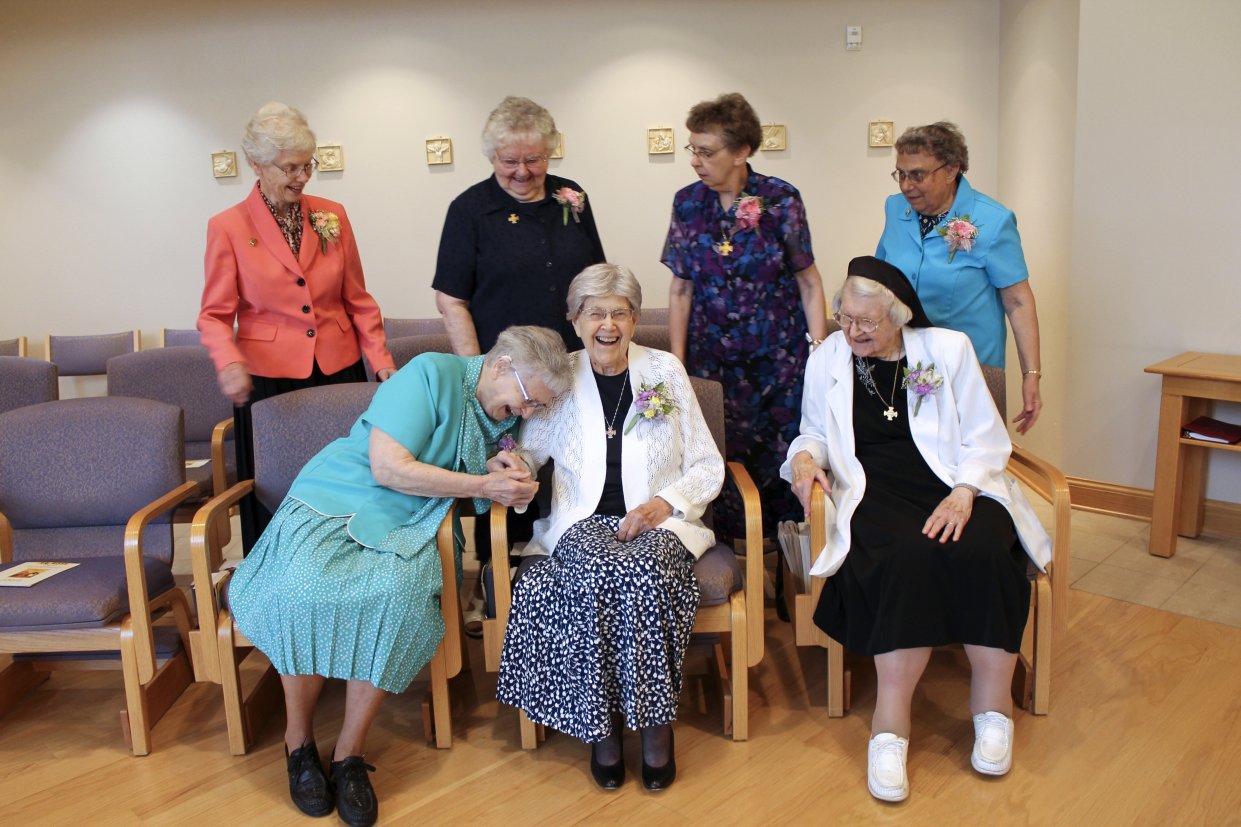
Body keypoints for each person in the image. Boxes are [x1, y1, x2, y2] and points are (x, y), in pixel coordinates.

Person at [228, 326, 571, 826]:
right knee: (300, 590)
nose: (527, 414)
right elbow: (389, 467)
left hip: (415, 524)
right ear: (501, 367)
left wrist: (508, 465)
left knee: (400, 597)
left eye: (536, 408)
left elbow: (490, 462)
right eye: (526, 402)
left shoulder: (501, 408)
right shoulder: (430, 373)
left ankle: (349, 755)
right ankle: (298, 742)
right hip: (338, 501)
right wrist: (484, 483)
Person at [781, 256, 1051, 803]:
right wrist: (805, 461)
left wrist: (965, 489)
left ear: (899, 318)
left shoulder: (947, 350)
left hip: (953, 484)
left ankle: (992, 710)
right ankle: (890, 726)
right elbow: (813, 433)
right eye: (845, 318)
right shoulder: (828, 356)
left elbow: (987, 440)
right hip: (872, 490)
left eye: (867, 322)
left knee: (981, 550)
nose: (852, 331)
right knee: (903, 556)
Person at [496, 264, 724, 792]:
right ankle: (604, 731)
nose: (608, 324)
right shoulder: (561, 373)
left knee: (642, 574)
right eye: (595, 312)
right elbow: (531, 451)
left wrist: (662, 506)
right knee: (596, 572)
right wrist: (514, 467)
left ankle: (654, 729)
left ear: (635, 318)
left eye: (619, 312)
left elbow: (707, 465)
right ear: (574, 319)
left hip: (659, 523)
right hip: (581, 521)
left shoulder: (665, 371)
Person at [432, 95, 606, 629]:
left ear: (551, 152)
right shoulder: (469, 210)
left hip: (572, 367)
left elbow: (595, 279)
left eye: (534, 159)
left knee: (577, 463)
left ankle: (576, 578)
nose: (524, 171)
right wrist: (478, 373)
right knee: (510, 472)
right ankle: (500, 586)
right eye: (510, 161)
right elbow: (451, 298)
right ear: (491, 157)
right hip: (508, 375)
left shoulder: (572, 198)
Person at [198, 101, 395, 552]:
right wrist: (227, 361)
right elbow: (213, 314)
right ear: (256, 164)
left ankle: (348, 564)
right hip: (268, 380)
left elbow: (358, 300)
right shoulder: (227, 227)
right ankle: (273, 578)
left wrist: (381, 362)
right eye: (289, 168)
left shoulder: (332, 215)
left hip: (337, 367)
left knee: (346, 480)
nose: (301, 177)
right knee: (275, 488)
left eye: (307, 166)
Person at [661, 91, 828, 546]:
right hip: (711, 364)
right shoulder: (687, 203)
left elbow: (809, 282)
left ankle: (790, 567)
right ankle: (728, 561)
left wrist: (819, 354)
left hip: (779, 364)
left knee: (782, 463)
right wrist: (677, 364)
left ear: (742, 151)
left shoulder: (781, 200)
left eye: (707, 151)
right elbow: (681, 288)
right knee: (716, 459)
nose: (696, 160)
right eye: (691, 149)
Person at [876, 121, 1043, 433]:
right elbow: (880, 278)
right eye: (901, 173)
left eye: (918, 175)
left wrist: (1031, 373)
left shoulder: (993, 221)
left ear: (951, 170)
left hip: (968, 368)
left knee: (968, 456)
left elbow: (1018, 301)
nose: (906, 186)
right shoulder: (896, 208)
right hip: (906, 357)